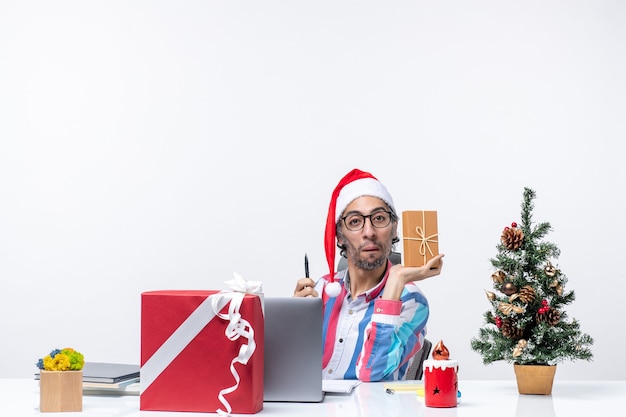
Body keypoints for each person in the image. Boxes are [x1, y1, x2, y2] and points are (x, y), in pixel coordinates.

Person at [294, 168, 444, 382]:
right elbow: (293, 373)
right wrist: (294, 324)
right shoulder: (321, 289)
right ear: (339, 236)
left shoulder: (411, 300)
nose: (369, 232)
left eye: (379, 218)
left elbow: (372, 375)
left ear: (394, 229)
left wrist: (394, 285)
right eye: (355, 221)